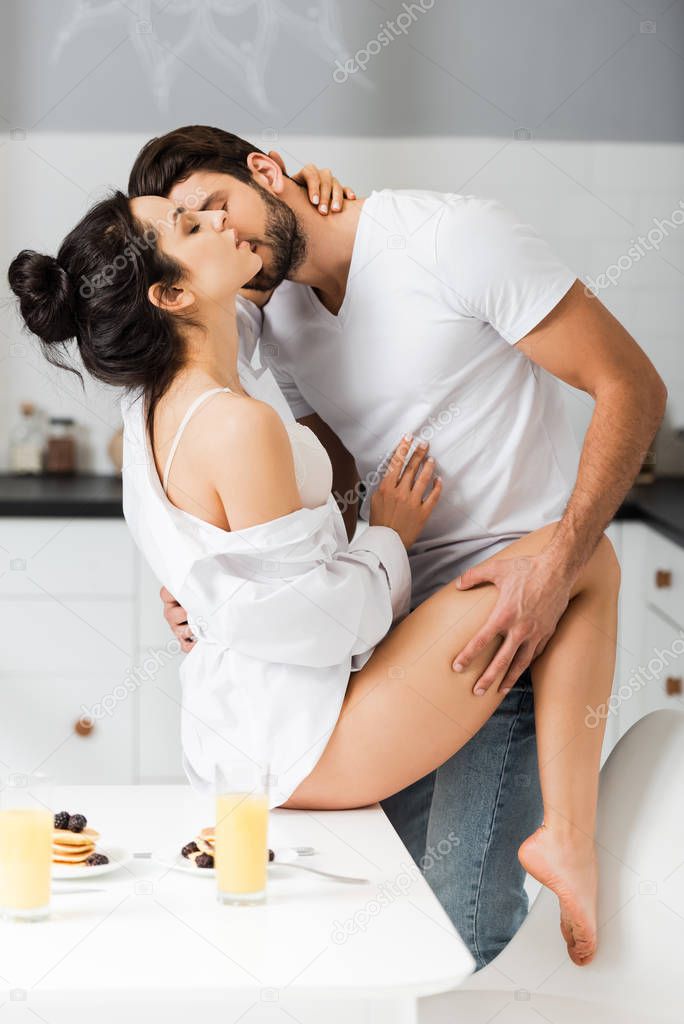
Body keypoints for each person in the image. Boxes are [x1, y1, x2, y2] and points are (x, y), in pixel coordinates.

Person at [10, 185, 624, 967]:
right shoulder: (239, 424)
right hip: (310, 744)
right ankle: (568, 838)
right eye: (192, 225)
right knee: (581, 554)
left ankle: (563, 841)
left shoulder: (157, 402)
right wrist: (389, 536)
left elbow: (238, 568)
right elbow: (325, 624)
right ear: (171, 292)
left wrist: (303, 194)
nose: (222, 222)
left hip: (241, 733)